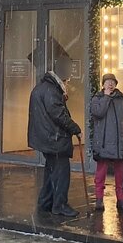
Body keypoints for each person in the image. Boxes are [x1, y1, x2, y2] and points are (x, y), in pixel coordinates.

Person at [28, 56, 81, 217]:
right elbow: (58, 114)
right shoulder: (51, 90)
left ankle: (45, 202)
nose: (69, 79)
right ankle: (60, 205)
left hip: (47, 138)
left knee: (52, 171)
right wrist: (75, 128)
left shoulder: (43, 87)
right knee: (61, 173)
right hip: (54, 138)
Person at [89, 73, 123, 213]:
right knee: (101, 174)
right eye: (107, 82)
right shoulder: (97, 98)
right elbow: (98, 113)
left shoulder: (121, 100)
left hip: (120, 142)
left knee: (120, 174)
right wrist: (106, 97)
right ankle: (99, 200)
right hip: (103, 143)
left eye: (113, 82)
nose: (110, 84)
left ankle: (121, 200)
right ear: (103, 84)